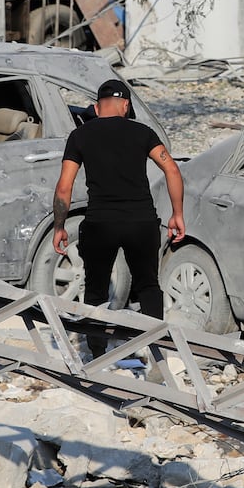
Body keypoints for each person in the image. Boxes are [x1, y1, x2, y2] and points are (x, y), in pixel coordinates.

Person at [51, 78, 184, 357]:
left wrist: (59, 226)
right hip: (141, 223)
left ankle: (97, 355)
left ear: (98, 109)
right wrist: (177, 214)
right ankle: (154, 353)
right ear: (125, 105)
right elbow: (172, 170)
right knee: (148, 286)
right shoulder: (143, 132)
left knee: (96, 290)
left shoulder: (80, 136)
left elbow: (64, 187)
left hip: (100, 224)